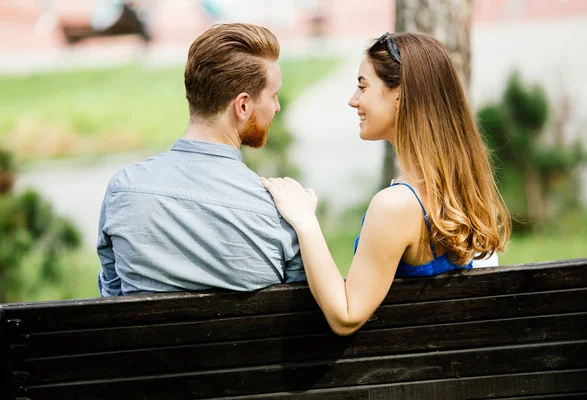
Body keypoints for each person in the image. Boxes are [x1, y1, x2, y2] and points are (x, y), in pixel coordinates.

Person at [261, 32, 511, 336]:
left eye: (363, 86)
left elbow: (346, 315)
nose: (353, 100)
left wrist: (305, 223)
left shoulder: (396, 205)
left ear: (400, 93)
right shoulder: (465, 188)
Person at [97, 23, 305, 296]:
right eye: (273, 95)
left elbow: (112, 297)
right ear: (242, 106)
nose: (276, 106)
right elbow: (300, 310)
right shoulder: (280, 210)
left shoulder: (123, 191)